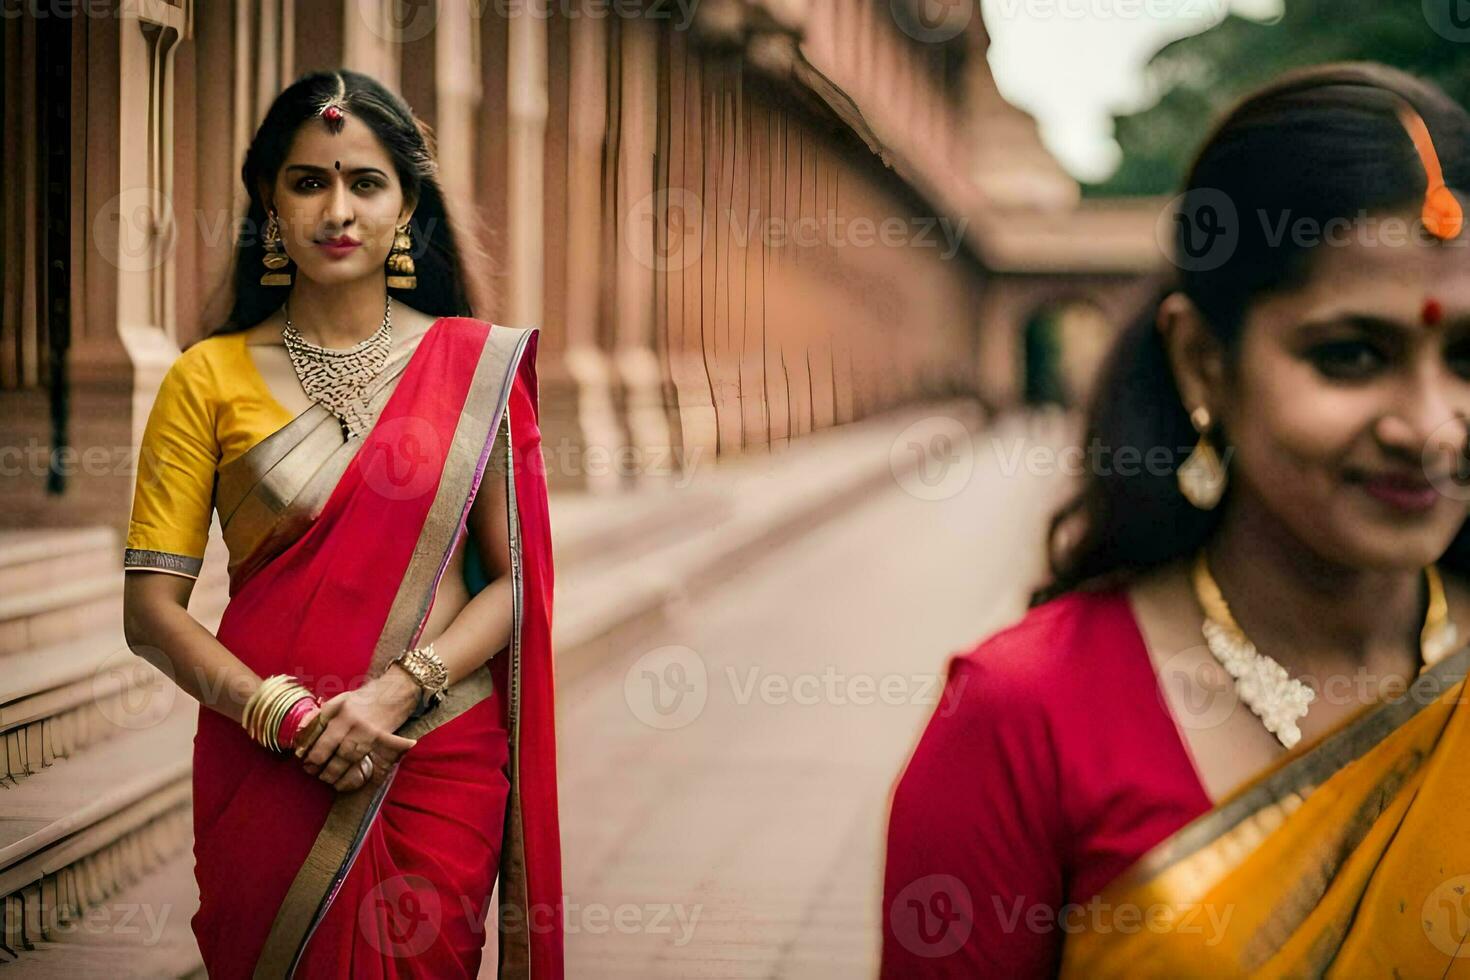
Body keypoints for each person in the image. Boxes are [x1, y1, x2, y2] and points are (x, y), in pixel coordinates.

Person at [881, 61, 1470, 977]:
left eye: (1468, 359)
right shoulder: (1022, 721)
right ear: (1202, 361)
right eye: (1352, 355)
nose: (1430, 427)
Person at [120, 69, 563, 978]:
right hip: (266, 755)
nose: (338, 210)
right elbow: (151, 612)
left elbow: (514, 579)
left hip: (432, 746)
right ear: (268, 202)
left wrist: (399, 689)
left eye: (365, 183)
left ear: (407, 206)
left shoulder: (475, 371)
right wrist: (280, 715)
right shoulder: (203, 378)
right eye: (308, 181)